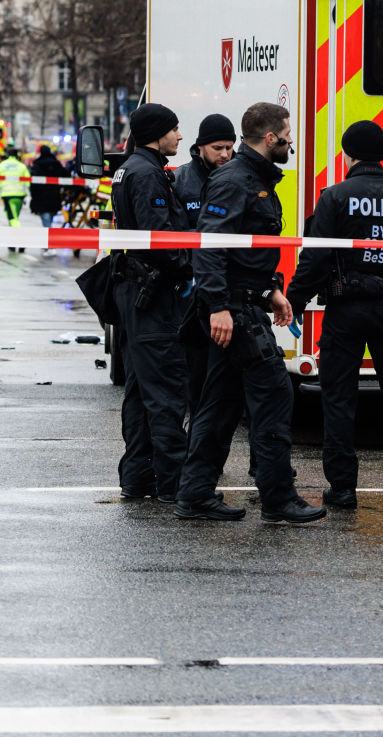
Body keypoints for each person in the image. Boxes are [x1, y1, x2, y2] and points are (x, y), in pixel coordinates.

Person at [177, 102, 324, 525]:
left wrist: (273, 291)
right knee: (276, 392)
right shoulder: (234, 180)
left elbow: (249, 250)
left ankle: (195, 493)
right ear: (270, 138)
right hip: (233, 311)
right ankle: (279, 499)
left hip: (246, 303)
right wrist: (219, 307)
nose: (292, 142)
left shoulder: (255, 179)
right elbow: (210, 246)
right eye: (288, 135)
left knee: (221, 404)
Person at [286, 120, 383, 511]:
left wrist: (295, 300)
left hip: (346, 307)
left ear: (347, 154)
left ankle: (342, 489)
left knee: (339, 397)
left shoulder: (335, 197)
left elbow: (316, 256)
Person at [109, 104, 193, 504]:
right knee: (165, 391)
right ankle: (176, 484)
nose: (180, 136)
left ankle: (139, 476)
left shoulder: (132, 167)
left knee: (141, 391)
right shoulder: (147, 174)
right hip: (153, 295)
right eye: (175, 130)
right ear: (157, 133)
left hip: (136, 291)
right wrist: (188, 270)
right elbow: (159, 239)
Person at [172, 114, 238, 447]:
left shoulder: (239, 179)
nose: (225, 154)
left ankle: (259, 462)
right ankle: (198, 448)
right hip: (193, 294)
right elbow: (175, 235)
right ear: (199, 148)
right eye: (217, 148)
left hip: (232, 294)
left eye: (229, 147)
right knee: (196, 378)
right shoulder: (181, 181)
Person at [29, 144, 70, 254]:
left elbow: (33, 183)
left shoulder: (37, 164)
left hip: (41, 198)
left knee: (46, 222)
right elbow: (66, 175)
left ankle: (49, 244)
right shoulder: (56, 164)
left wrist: (33, 196)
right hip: (54, 197)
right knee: (50, 220)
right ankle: (49, 243)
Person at [0, 146, 31, 252]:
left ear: (7, 155)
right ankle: (13, 242)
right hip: (20, 196)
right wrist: (31, 194)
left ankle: (21, 241)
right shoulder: (22, 166)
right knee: (14, 218)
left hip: (8, 195)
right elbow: (28, 181)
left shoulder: (2, 165)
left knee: (13, 219)